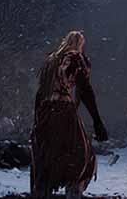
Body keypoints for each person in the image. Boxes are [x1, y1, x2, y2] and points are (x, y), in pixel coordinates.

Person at [31, 30, 108, 199]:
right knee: (81, 155)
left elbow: (40, 92)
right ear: (80, 44)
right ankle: (73, 192)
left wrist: (37, 119)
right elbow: (85, 89)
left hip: (46, 111)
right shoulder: (74, 58)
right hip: (63, 110)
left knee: (47, 156)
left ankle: (42, 192)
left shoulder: (50, 61)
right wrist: (97, 120)